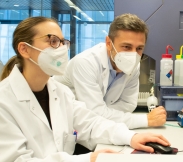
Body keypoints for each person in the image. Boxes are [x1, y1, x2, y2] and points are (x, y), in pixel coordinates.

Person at [0, 16, 170, 162]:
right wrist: (88, 158)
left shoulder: (60, 92)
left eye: (62, 42)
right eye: (52, 41)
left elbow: (91, 124)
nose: (61, 49)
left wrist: (131, 137)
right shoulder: (4, 101)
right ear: (24, 49)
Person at [54, 13, 167, 130]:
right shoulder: (85, 62)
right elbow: (94, 113)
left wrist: (104, 111)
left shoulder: (134, 65)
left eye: (139, 48)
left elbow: (128, 105)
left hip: (94, 128)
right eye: (126, 47)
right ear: (108, 43)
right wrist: (146, 120)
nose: (133, 55)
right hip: (62, 123)